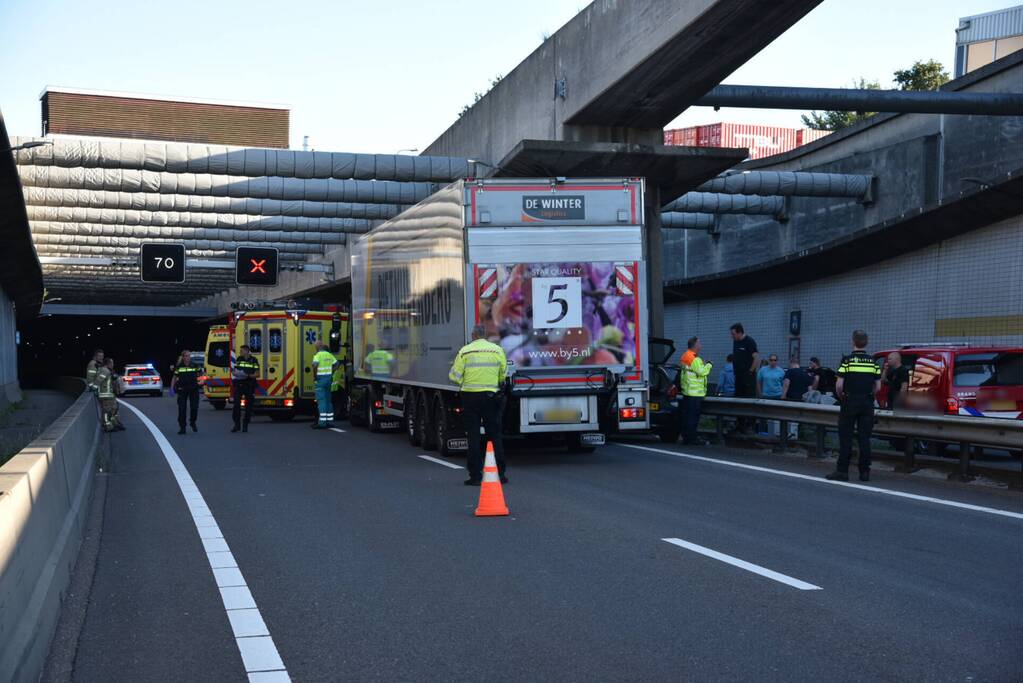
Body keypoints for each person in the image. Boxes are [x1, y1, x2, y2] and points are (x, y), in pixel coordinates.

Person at [449, 324, 508, 486]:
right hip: (491, 396)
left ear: (473, 335)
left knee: (473, 436)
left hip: (470, 397)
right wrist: (495, 384)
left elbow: (454, 376)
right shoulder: (497, 350)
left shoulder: (465, 351)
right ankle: (501, 474)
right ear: (485, 335)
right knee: (495, 435)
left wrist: (464, 382)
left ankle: (475, 476)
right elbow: (503, 373)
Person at [826, 330, 882, 482]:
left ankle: (842, 471)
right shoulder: (873, 362)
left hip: (850, 401)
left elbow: (839, 384)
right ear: (866, 342)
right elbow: (878, 386)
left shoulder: (847, 361)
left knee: (846, 437)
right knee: (864, 438)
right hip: (867, 402)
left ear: (853, 342)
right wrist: (870, 396)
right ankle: (864, 472)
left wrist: (842, 395)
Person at [677, 336, 713, 445]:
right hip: (695, 392)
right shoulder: (694, 358)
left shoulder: (685, 355)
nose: (701, 345)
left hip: (687, 391)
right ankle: (691, 438)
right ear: (695, 345)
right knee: (693, 416)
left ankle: (686, 437)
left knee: (687, 416)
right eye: (699, 343)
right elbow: (702, 372)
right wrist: (709, 364)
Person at [730, 324, 759, 431]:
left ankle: (750, 424)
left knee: (748, 400)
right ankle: (740, 423)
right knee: (738, 399)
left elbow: (756, 358)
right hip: (738, 376)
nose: (732, 336)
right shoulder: (735, 342)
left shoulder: (749, 341)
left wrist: (750, 372)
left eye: (733, 334)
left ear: (740, 332)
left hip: (748, 376)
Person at [172, 349, 202, 435]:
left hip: (193, 389)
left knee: (194, 408)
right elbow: (175, 377)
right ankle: (182, 427)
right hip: (182, 389)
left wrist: (200, 383)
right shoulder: (179, 367)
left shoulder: (195, 365)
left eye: (189, 356)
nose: (188, 357)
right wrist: (172, 388)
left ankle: (192, 422)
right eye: (186, 356)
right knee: (182, 409)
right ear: (183, 357)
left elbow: (201, 375)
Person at [231, 345, 259, 433]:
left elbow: (258, 374)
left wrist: (248, 375)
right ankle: (237, 424)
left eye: (242, 351)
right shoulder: (239, 359)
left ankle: (245, 424)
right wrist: (235, 373)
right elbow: (235, 371)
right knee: (236, 405)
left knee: (248, 407)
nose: (240, 352)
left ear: (247, 351)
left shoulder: (254, 360)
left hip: (249, 384)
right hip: (239, 384)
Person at [311, 341, 339, 429]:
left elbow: (314, 365)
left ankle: (322, 422)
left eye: (315, 346)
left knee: (321, 401)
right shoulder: (329, 355)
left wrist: (315, 376)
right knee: (328, 401)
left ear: (318, 347)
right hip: (328, 379)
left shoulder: (317, 355)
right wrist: (332, 372)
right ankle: (330, 421)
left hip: (320, 380)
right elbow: (337, 364)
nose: (315, 348)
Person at [96, 358, 124, 432]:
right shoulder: (105, 370)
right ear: (108, 363)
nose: (113, 365)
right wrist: (93, 388)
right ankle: (107, 426)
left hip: (110, 394)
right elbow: (98, 380)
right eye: (112, 363)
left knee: (113, 409)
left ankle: (113, 424)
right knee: (106, 411)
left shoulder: (109, 371)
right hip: (105, 395)